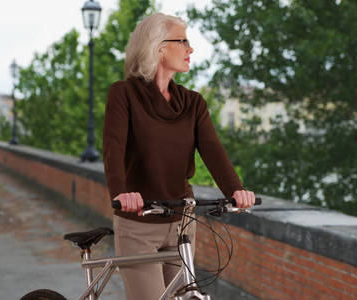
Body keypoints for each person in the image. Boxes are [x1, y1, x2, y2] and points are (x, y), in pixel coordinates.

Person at [102, 12, 255, 300]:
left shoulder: (192, 102)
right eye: (182, 41)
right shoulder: (123, 94)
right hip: (139, 222)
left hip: (182, 222)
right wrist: (121, 193)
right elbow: (113, 148)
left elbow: (214, 151)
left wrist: (236, 190)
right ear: (158, 47)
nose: (190, 49)